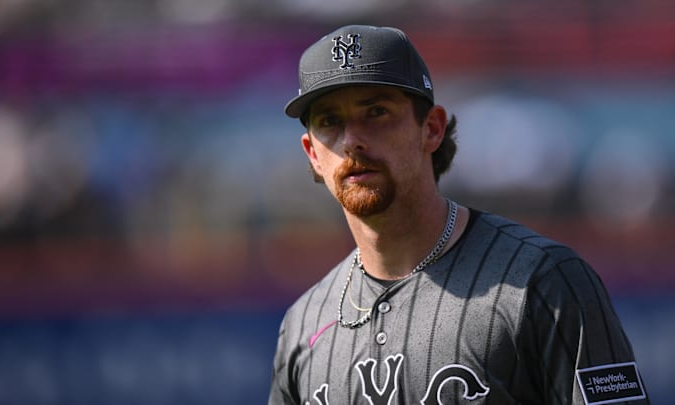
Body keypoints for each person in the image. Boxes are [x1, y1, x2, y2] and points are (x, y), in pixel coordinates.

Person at [268, 25, 648, 405]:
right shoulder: (303, 324)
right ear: (313, 154)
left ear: (431, 129)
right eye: (329, 121)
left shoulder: (544, 282)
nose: (351, 140)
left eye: (376, 111)